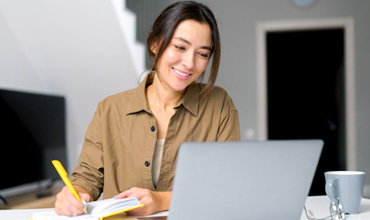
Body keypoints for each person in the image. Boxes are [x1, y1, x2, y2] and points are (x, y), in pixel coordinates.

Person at [55, 1, 240, 216]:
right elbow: (87, 178)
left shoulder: (219, 105)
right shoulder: (110, 109)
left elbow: (227, 182)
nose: (189, 63)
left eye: (202, 54)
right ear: (154, 43)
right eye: (180, 47)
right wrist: (74, 195)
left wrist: (160, 199)